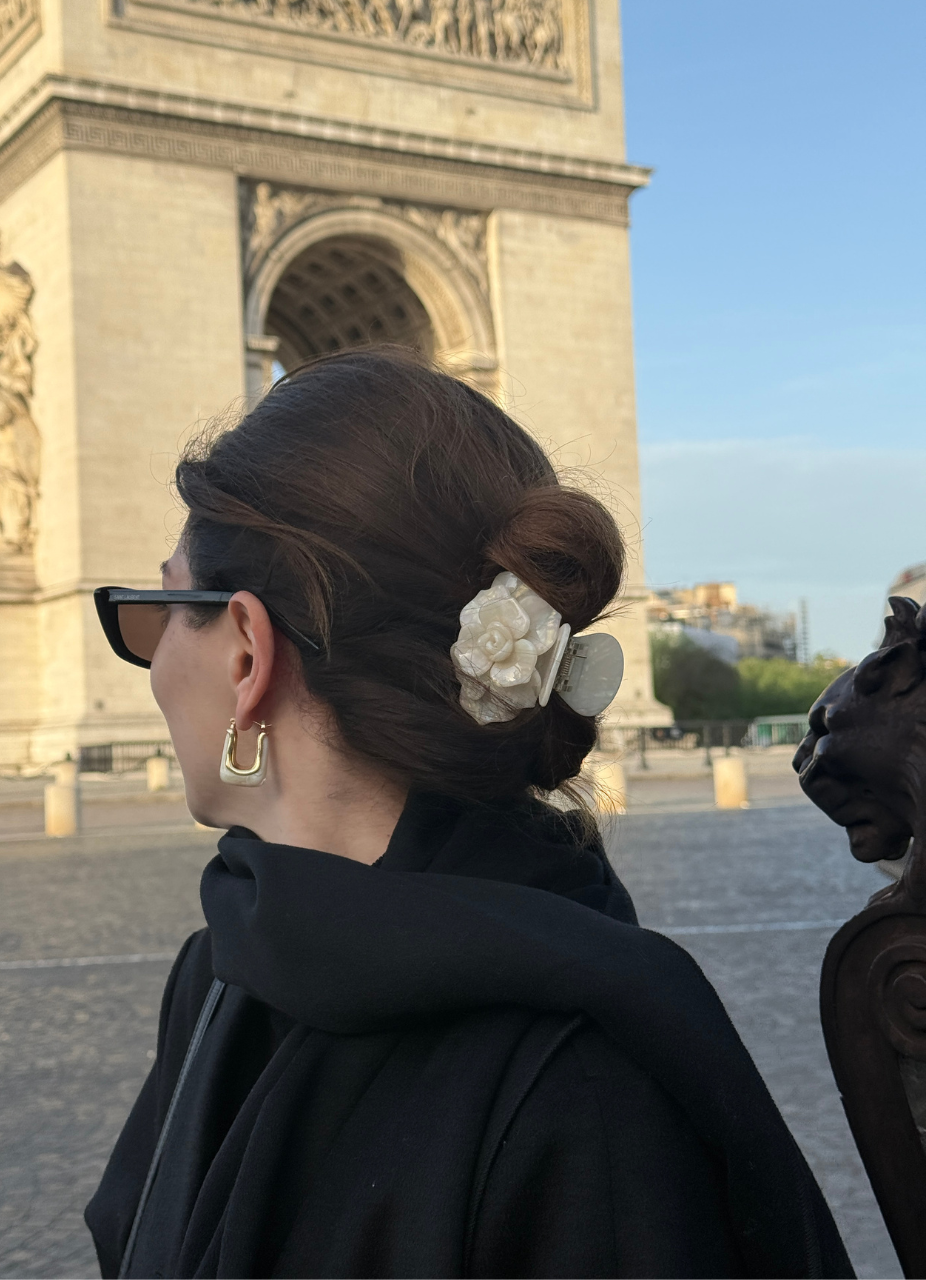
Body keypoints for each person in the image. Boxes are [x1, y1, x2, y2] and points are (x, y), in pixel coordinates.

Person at [86, 348, 852, 1279]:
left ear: (247, 653)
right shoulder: (215, 965)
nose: (157, 658)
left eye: (164, 608)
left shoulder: (587, 1099)